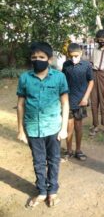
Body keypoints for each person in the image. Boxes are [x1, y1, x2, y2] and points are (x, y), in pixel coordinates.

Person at [16, 42, 69, 208]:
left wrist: (64, 128)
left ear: (49, 59)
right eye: (34, 57)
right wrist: (20, 131)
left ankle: (52, 190)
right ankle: (42, 191)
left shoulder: (59, 77)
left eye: (41, 57)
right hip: (32, 128)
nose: (37, 60)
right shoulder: (24, 78)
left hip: (53, 127)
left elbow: (65, 104)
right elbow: (20, 105)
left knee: (53, 160)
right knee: (38, 161)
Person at [62, 43, 94, 161]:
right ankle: (69, 150)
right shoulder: (66, 65)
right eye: (71, 56)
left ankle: (78, 150)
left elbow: (91, 82)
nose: (74, 58)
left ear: (81, 53)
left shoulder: (86, 65)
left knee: (78, 127)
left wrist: (85, 98)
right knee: (68, 126)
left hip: (81, 101)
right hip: (68, 101)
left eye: (76, 56)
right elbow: (62, 81)